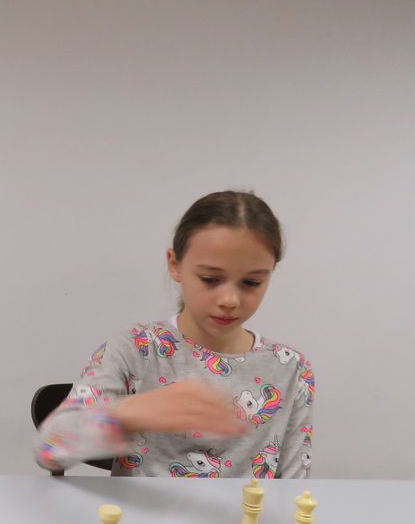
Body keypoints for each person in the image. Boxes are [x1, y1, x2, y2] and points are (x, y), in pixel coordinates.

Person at [34, 190, 314, 478]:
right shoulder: (136, 350)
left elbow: (295, 487)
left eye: (252, 282)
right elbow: (48, 450)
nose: (230, 299)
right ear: (175, 265)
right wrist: (127, 413)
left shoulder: (291, 368)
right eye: (210, 279)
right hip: (142, 510)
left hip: (248, 510)